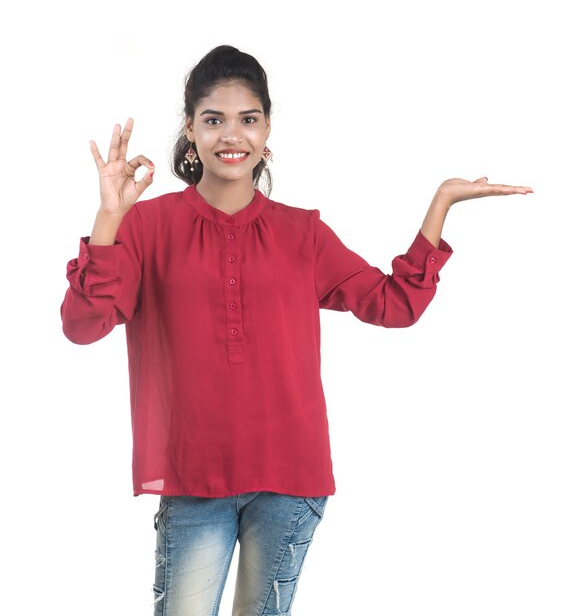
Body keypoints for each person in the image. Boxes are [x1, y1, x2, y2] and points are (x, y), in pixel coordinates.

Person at [60, 45, 533, 616]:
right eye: (213, 120)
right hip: (192, 478)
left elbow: (394, 303)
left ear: (266, 131)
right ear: (190, 130)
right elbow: (83, 326)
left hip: (290, 477)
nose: (231, 135)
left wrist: (441, 204)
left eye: (248, 119)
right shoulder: (145, 226)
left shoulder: (302, 234)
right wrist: (109, 217)